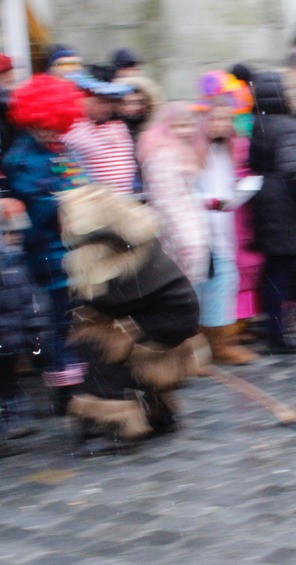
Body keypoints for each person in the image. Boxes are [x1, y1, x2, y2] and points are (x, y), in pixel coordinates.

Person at [60, 185, 205, 455]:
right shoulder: (138, 245)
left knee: (100, 349)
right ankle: (160, 413)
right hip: (173, 317)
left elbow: (103, 302)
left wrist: (84, 311)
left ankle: (121, 427)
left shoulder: (122, 262)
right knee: (117, 341)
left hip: (166, 322)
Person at [3, 74, 89, 412]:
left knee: (73, 320)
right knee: (60, 321)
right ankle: (66, 395)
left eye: (56, 127)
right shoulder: (21, 158)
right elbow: (42, 209)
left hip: (72, 248)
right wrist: (75, 201)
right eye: (44, 126)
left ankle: (76, 385)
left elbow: (81, 182)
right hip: (48, 252)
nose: (51, 133)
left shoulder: (61, 149)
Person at [248, 69, 296, 354]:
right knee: (283, 270)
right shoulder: (291, 126)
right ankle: (279, 334)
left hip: (266, 199)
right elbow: (292, 171)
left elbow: (256, 162)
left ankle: (275, 328)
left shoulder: (260, 123)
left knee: (274, 269)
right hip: (286, 206)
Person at [195, 89, 260, 365]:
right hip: (199, 229)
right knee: (204, 285)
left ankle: (221, 342)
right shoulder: (194, 152)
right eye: (215, 119)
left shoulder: (231, 150)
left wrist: (240, 191)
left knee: (224, 282)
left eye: (225, 119)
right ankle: (203, 346)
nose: (221, 125)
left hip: (224, 228)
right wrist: (210, 202)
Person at [138, 103, 212, 294]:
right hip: (177, 228)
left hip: (188, 222)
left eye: (188, 125)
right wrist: (187, 236)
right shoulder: (162, 152)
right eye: (177, 126)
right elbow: (166, 198)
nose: (184, 131)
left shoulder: (183, 150)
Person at [0, 203, 46, 454]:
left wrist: (32, 329)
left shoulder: (16, 262)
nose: (15, 237)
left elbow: (27, 299)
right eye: (9, 232)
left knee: (8, 382)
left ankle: (15, 422)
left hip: (10, 339)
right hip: (5, 336)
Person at [63, 77, 139, 195]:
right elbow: (68, 172)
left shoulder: (120, 128)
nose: (106, 108)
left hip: (124, 202)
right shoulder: (74, 131)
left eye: (109, 102)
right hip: (93, 204)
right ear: (84, 100)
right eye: (100, 102)